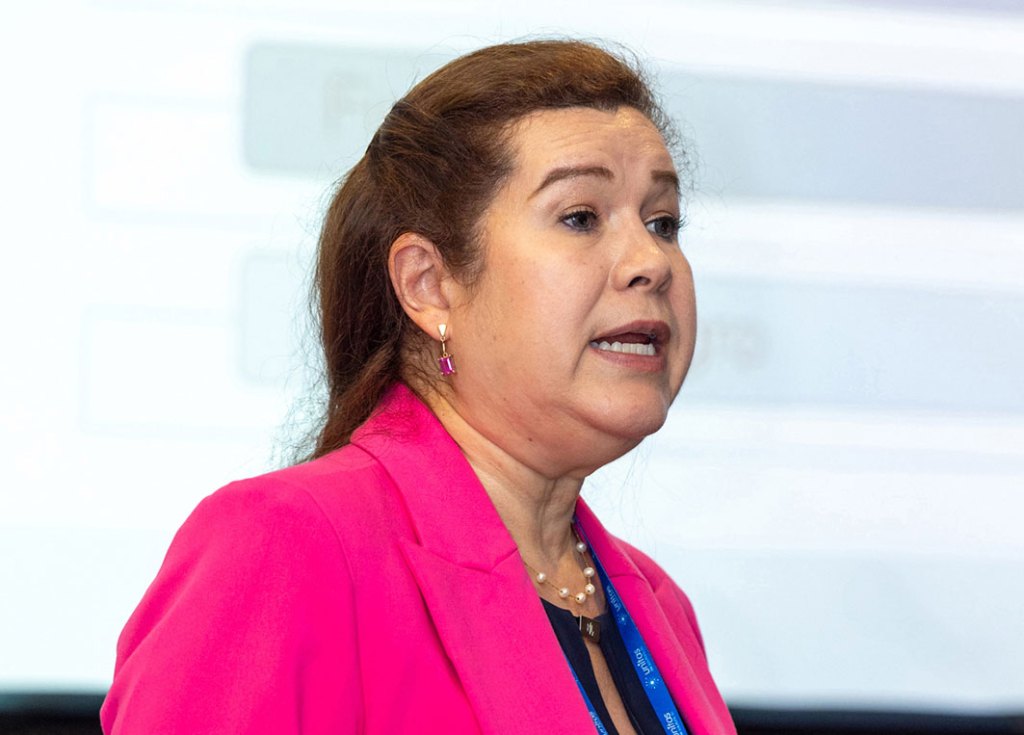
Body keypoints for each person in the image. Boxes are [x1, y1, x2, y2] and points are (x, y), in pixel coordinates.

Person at [100, 39, 736, 735]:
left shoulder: (658, 606)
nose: (651, 261)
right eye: (580, 217)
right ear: (429, 285)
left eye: (662, 222)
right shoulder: (288, 545)